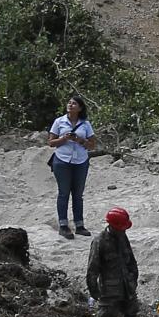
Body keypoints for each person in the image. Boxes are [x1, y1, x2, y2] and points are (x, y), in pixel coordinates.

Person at [86, 206, 138, 317]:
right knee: (107, 316)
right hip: (109, 288)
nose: (123, 231)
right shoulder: (99, 242)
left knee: (131, 309)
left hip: (127, 284)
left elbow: (131, 261)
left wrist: (133, 278)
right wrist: (94, 291)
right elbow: (92, 269)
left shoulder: (123, 238)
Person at [48, 95, 96, 239]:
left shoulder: (85, 124)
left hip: (80, 161)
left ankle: (79, 225)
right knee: (63, 193)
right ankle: (63, 225)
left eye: (74, 103)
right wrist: (64, 138)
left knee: (78, 194)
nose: (70, 105)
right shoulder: (59, 121)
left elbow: (92, 145)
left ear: (80, 108)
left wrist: (80, 140)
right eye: (69, 103)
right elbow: (51, 142)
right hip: (62, 160)